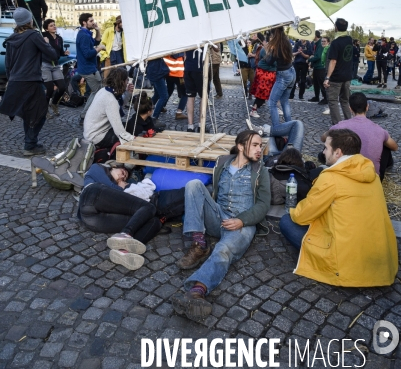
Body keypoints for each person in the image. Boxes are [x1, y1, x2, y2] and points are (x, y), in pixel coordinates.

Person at [171, 130, 270, 321]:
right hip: (219, 216)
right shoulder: (222, 163)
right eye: (255, 145)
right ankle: (199, 244)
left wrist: (243, 220)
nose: (259, 150)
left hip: (243, 223)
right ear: (241, 146)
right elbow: (212, 193)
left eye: (261, 146)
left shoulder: (260, 171)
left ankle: (197, 291)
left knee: (224, 249)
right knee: (193, 185)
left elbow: (263, 205)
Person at [279, 129, 398, 287]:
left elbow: (302, 216)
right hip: (381, 263)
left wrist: (294, 209)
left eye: (326, 148)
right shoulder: (372, 175)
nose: (323, 152)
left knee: (287, 221)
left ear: (338, 153)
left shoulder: (330, 178)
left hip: (344, 264)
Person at [78, 162, 161, 270]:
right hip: (91, 195)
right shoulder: (97, 168)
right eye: (122, 172)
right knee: (149, 207)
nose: (122, 177)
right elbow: (111, 187)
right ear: (114, 167)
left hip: (92, 219)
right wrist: (123, 187)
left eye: (125, 177)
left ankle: (123, 251)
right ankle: (126, 233)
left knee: (153, 221)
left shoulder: (113, 195)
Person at [0, 8, 57, 155]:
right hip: (31, 80)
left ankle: (29, 142)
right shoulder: (33, 35)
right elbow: (52, 55)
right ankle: (30, 145)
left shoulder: (12, 38)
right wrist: (46, 43)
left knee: (28, 113)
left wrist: (11, 80)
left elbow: (8, 64)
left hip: (15, 81)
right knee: (40, 112)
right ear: (29, 21)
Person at [321, 92, 398, 181]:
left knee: (329, 145)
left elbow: (323, 138)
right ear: (367, 107)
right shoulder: (379, 130)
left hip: (345, 175)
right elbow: (395, 147)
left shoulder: (340, 126)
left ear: (350, 109)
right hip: (373, 178)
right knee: (386, 146)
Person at [83, 67, 135, 150]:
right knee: (131, 129)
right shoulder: (110, 99)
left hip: (91, 132)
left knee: (130, 125)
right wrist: (134, 139)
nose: (128, 82)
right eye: (127, 80)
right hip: (96, 137)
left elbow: (118, 105)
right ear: (122, 82)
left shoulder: (105, 90)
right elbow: (119, 131)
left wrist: (128, 93)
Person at [76, 13, 105, 124]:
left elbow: (96, 41)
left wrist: (97, 30)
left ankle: (89, 114)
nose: (93, 22)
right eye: (91, 20)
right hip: (88, 69)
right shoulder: (83, 35)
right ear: (84, 22)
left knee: (98, 90)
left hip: (91, 67)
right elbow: (88, 54)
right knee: (97, 92)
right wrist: (100, 48)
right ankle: (84, 115)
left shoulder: (87, 33)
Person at [323, 18, 352, 124]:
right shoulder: (349, 39)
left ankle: (338, 125)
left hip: (336, 77)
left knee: (333, 101)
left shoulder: (335, 43)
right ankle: (349, 122)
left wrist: (327, 77)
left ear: (336, 27)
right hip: (347, 76)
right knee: (345, 100)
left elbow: (333, 61)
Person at [267, 27, 295, 126]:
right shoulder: (286, 42)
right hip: (291, 71)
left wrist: (268, 52)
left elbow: (270, 62)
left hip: (283, 74)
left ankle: (276, 128)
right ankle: (290, 125)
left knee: (272, 103)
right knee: (284, 101)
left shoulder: (276, 45)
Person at [42, 18, 69, 115]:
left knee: (62, 87)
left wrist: (64, 53)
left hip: (56, 65)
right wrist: (43, 42)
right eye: (51, 25)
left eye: (54, 25)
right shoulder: (43, 36)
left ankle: (54, 103)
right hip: (45, 64)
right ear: (46, 29)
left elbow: (60, 52)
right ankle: (44, 110)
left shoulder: (59, 38)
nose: (54, 26)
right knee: (49, 89)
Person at [249, 36, 276, 118]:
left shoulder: (268, 49)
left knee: (262, 93)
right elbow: (271, 62)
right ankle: (254, 109)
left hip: (265, 73)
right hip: (266, 74)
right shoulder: (267, 50)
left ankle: (256, 106)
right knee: (262, 93)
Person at [184, 48, 209, 133]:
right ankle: (201, 125)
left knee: (190, 97)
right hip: (199, 69)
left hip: (188, 68)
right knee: (204, 96)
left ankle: (190, 126)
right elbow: (216, 48)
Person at [146, 57, 169, 128]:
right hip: (156, 71)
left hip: (154, 70)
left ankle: (144, 112)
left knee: (157, 94)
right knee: (164, 96)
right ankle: (154, 118)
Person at [164, 53, 188, 120]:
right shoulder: (180, 49)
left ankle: (161, 106)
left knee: (169, 90)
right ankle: (179, 112)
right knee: (185, 93)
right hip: (178, 73)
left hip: (168, 72)